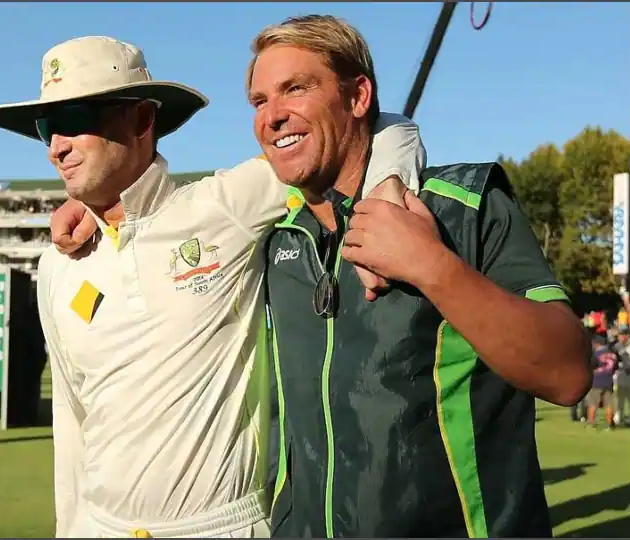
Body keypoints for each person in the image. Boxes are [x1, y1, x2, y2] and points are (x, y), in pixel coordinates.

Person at [0, 35, 426, 538]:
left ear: (142, 119)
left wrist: (389, 185)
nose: (56, 147)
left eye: (73, 121)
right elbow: (71, 423)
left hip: (224, 527)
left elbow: (376, 130)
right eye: (47, 129)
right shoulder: (59, 264)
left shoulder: (227, 205)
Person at [253, 15, 593, 538]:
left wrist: (432, 265)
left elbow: (567, 373)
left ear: (358, 95)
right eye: (258, 101)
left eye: (295, 88)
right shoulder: (275, 236)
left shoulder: (467, 205)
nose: (272, 115)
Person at [612, 327, 630, 426]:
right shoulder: (616, 346)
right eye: (619, 335)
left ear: (627, 335)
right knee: (619, 398)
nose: (620, 337)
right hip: (619, 375)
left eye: (622, 335)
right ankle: (618, 417)